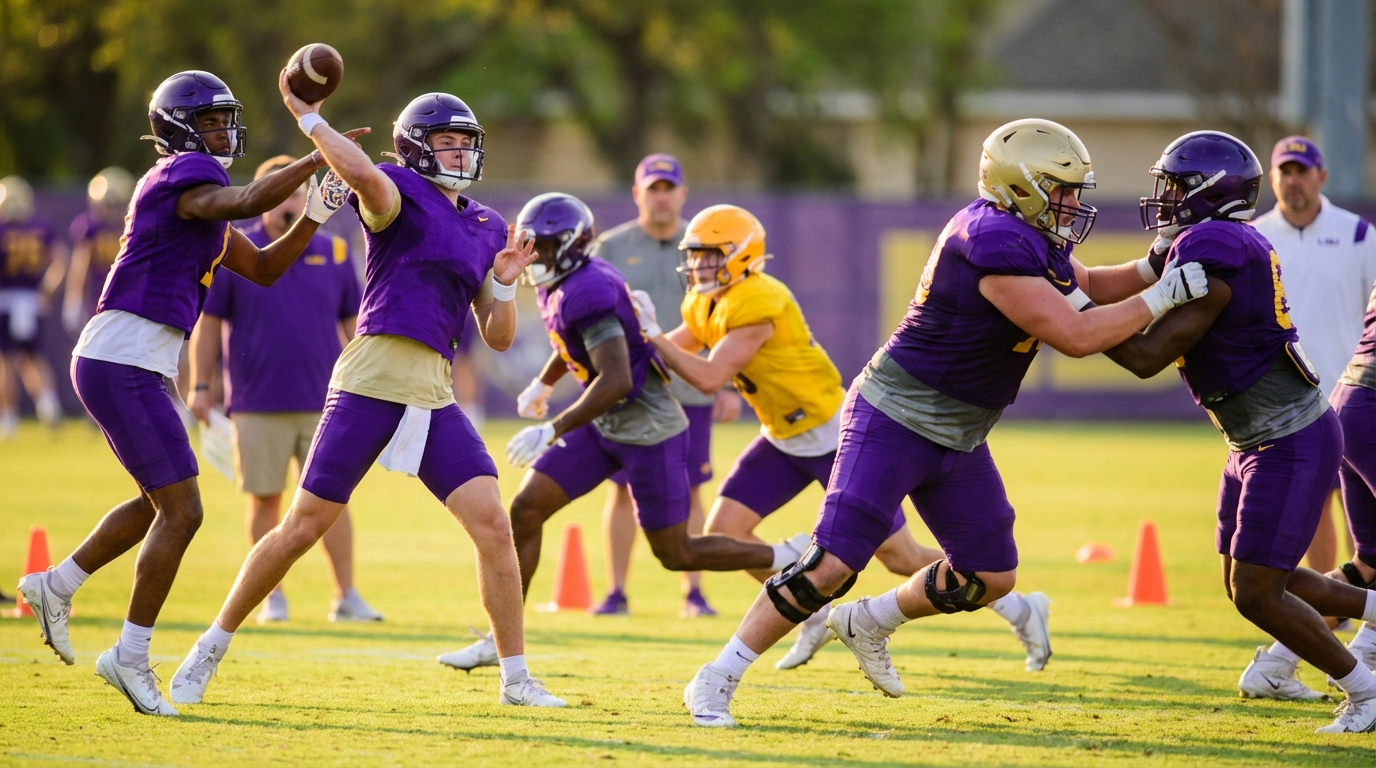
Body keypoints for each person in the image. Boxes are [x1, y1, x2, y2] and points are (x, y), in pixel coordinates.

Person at [681, 118, 1211, 728]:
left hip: (958, 430)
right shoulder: (990, 238)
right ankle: (715, 678)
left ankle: (869, 621)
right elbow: (1073, 332)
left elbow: (1084, 284)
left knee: (989, 573)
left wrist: (1149, 268)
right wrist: (1162, 296)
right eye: (1062, 189)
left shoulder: (1027, 234)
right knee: (831, 564)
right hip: (896, 416)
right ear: (1023, 185)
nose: (1072, 203)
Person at [169, 79, 565, 709]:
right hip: (370, 380)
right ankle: (205, 651)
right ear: (415, 147)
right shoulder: (394, 186)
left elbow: (494, 335)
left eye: (467, 143)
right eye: (448, 142)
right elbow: (363, 174)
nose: (461, 154)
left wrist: (509, 285)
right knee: (301, 527)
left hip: (433, 394)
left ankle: (516, 679)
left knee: (493, 524)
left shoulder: (489, 224)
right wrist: (311, 119)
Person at [16, 69, 348, 716]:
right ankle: (129, 656)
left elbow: (266, 268)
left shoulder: (200, 202)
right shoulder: (182, 179)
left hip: (130, 359)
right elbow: (249, 201)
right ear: (177, 128)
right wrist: (319, 149)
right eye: (211, 121)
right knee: (184, 510)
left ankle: (56, 584)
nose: (223, 132)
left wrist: (316, 212)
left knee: (158, 503)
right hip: (122, 357)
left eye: (227, 120)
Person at [637, 203, 1053, 673]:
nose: (697, 267)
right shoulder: (704, 301)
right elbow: (671, 354)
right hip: (783, 436)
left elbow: (708, 376)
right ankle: (808, 607)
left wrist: (651, 335)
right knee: (725, 532)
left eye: (709, 256)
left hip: (831, 432)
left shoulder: (758, 301)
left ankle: (1019, 606)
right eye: (694, 256)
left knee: (902, 557)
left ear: (740, 256)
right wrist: (627, 335)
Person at [437, 193, 808, 674]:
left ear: (569, 246)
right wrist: (543, 382)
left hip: (648, 427)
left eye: (542, 247)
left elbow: (617, 379)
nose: (533, 257)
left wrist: (552, 429)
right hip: (606, 421)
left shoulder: (589, 287)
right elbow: (573, 338)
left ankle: (786, 555)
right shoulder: (561, 283)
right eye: (530, 245)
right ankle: (500, 638)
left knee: (677, 553)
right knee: (526, 510)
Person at [1103, 130, 1376, 735]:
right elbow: (1118, 289)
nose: (1166, 196)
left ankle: (1365, 690)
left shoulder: (1218, 245)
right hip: (1255, 438)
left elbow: (1150, 355)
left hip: (1286, 437)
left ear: (1207, 190)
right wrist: (1068, 294)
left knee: (1257, 590)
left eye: (1175, 185)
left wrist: (1075, 321)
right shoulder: (1215, 239)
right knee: (1247, 579)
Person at [189, 154, 381, 625]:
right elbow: (208, 324)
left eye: (298, 191)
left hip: (327, 399)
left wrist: (372, 382)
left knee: (332, 501)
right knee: (265, 499)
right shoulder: (235, 248)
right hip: (257, 400)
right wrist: (200, 384)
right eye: (281, 192)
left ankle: (347, 595)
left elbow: (354, 325)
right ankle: (270, 595)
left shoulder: (335, 252)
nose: (290, 200)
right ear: (261, 198)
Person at [586, 153, 733, 618]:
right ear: (638, 194)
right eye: (653, 188)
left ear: (683, 194)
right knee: (620, 489)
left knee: (690, 490)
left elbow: (731, 318)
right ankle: (616, 592)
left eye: (669, 188)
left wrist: (727, 383)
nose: (662, 196)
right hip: (630, 391)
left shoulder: (708, 245)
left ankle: (693, 593)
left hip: (690, 389)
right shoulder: (611, 247)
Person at [1251, 137, 1376, 581]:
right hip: (1289, 398)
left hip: (1355, 395)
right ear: (1272, 178)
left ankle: (1358, 601)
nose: (1293, 180)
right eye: (1284, 171)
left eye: (1302, 171)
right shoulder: (1256, 238)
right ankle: (1330, 608)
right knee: (1312, 503)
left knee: (1359, 501)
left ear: (1321, 176)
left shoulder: (1359, 235)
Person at [0, 175, 66, 435]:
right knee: (33, 358)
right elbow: (61, 260)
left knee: (5, 362)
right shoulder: (39, 228)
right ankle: (49, 406)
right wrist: (47, 291)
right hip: (30, 301)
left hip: (4, 300)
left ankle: (8, 418)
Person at [65, 168, 135, 338]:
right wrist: (74, 299)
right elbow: (81, 265)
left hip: (120, 297)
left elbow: (80, 266)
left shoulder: (132, 226)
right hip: (105, 297)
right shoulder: (93, 227)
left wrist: (73, 299)